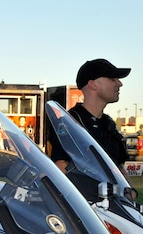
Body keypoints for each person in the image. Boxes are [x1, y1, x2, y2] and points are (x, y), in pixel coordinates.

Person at [50, 58, 137, 199]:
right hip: (87, 213)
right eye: (113, 78)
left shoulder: (109, 125)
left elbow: (119, 168)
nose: (119, 83)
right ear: (93, 84)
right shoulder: (70, 124)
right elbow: (61, 166)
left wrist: (130, 193)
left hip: (113, 211)